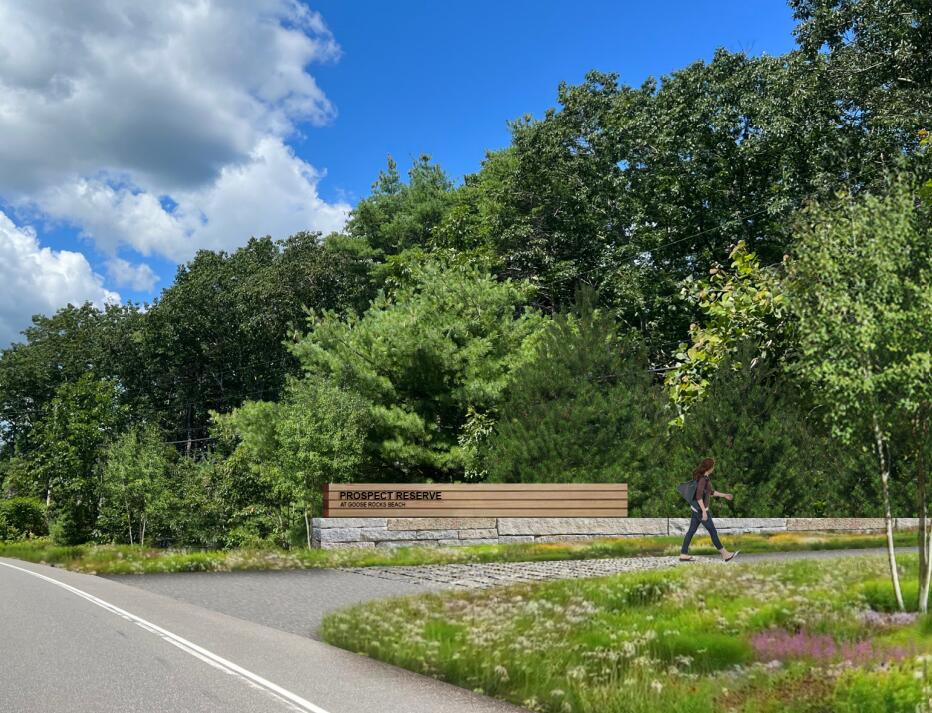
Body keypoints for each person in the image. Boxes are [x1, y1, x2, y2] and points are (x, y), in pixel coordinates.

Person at [679, 457, 739, 562]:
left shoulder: (704, 478)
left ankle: (683, 554)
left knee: (691, 531)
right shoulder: (703, 479)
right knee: (712, 531)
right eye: (713, 466)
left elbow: (710, 492)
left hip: (696, 510)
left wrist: (724, 495)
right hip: (701, 511)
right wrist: (704, 512)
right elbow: (698, 497)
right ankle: (725, 554)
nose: (714, 468)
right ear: (710, 468)